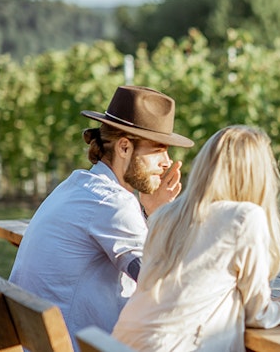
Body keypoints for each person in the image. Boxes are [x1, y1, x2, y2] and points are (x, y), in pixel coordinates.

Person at [112, 125, 280, 351]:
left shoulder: (165, 214)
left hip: (123, 341)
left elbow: (193, 298)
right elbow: (257, 314)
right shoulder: (244, 217)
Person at [10, 85, 194, 339]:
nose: (167, 162)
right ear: (124, 148)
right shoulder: (113, 203)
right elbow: (161, 284)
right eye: (159, 149)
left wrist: (151, 211)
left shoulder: (77, 186)